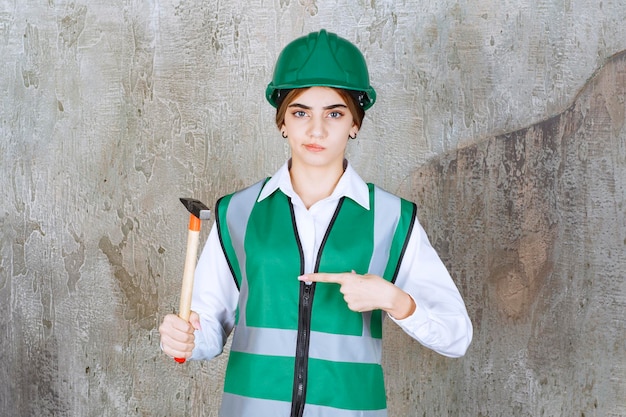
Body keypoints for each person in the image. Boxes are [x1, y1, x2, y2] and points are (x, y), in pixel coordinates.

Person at [159, 29, 472, 417]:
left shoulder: (392, 219)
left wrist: (392, 299)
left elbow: (456, 336)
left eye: (335, 113)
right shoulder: (237, 212)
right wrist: (185, 338)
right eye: (301, 112)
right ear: (283, 122)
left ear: (354, 124)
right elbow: (208, 329)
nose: (317, 130)